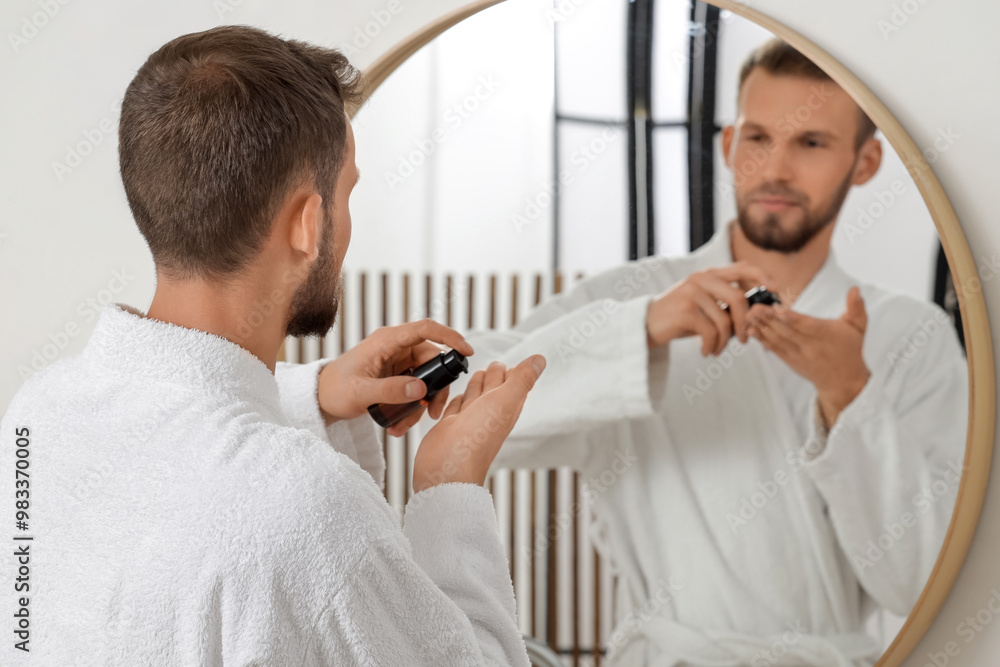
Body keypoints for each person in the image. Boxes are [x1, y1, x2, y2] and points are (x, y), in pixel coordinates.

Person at [0, 25, 547, 666]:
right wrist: (448, 486)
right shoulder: (306, 506)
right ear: (308, 225)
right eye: (347, 195)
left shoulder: (39, 413)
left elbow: (175, 464)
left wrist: (317, 394)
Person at [453, 38, 968, 666]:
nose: (776, 168)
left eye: (810, 143)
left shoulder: (909, 335)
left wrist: (850, 398)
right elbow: (466, 413)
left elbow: (926, 582)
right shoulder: (632, 298)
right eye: (757, 139)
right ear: (728, 147)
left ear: (864, 163)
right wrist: (639, 331)